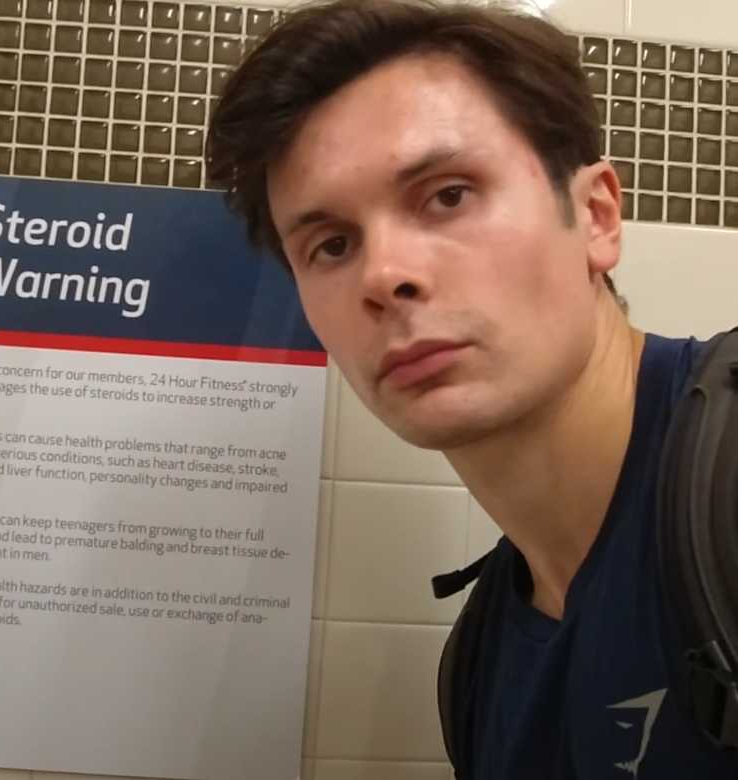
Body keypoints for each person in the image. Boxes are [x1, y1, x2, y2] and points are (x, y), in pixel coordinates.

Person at [206, 0, 738, 776]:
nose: (384, 276)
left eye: (448, 194)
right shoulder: (482, 661)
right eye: (330, 244)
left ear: (594, 216)